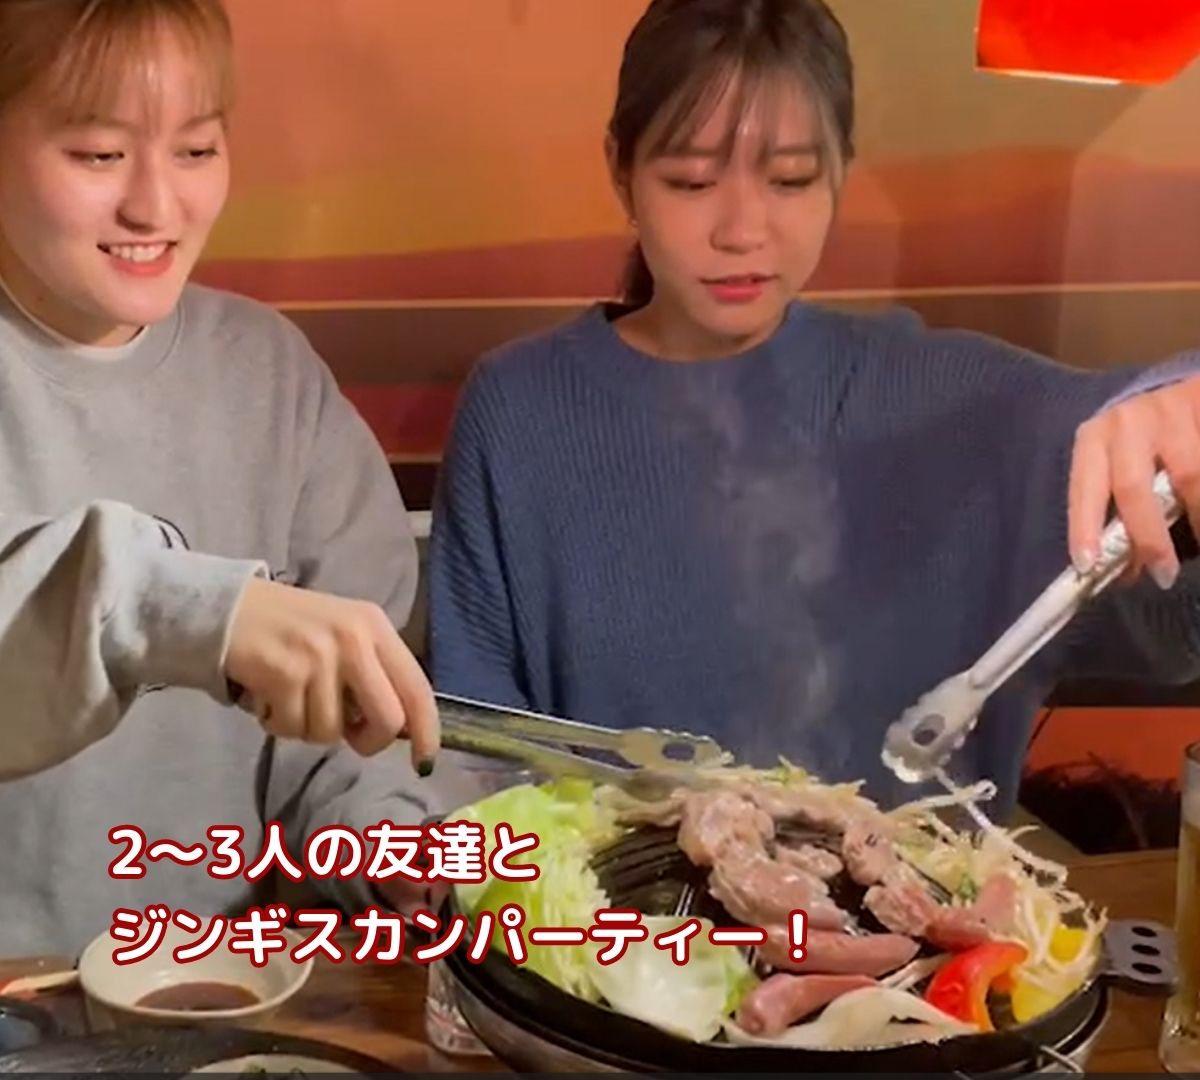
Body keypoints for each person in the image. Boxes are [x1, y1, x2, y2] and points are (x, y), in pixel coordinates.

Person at [428, 0, 1200, 823]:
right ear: (622, 169)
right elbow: (473, 759)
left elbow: (1174, 624)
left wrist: (1179, 400)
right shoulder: (521, 414)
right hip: (610, 906)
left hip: (934, 908)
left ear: (839, 170)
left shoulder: (959, 404)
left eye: (791, 179)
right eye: (690, 182)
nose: (742, 231)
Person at [0, 0, 443, 954]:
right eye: (99, 155)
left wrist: (391, 845)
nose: (156, 207)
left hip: (223, 990)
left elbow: (350, 740)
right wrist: (198, 616)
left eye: (196, 150)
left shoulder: (269, 376)